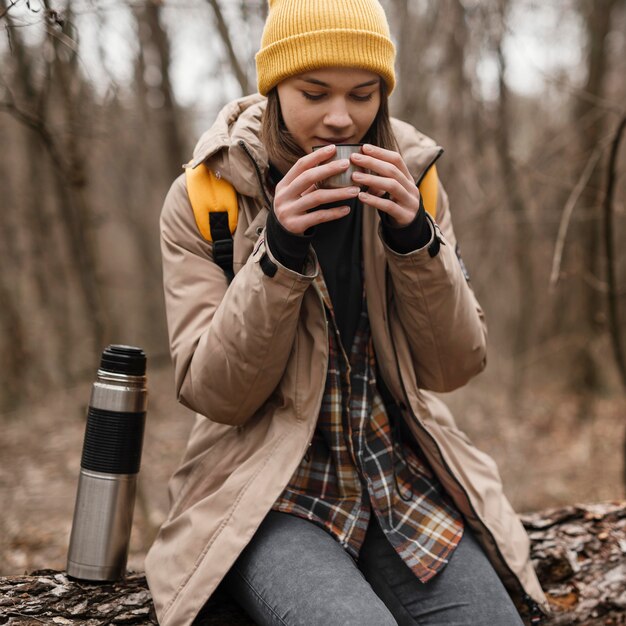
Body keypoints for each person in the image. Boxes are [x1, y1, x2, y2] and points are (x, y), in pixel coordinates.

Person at [145, 1, 548, 625]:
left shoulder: (417, 180)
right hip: (267, 495)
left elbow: (454, 365)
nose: (340, 118)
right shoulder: (210, 196)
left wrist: (417, 241)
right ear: (274, 88)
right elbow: (214, 392)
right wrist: (276, 252)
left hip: (401, 480)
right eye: (314, 92)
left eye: (363, 95)